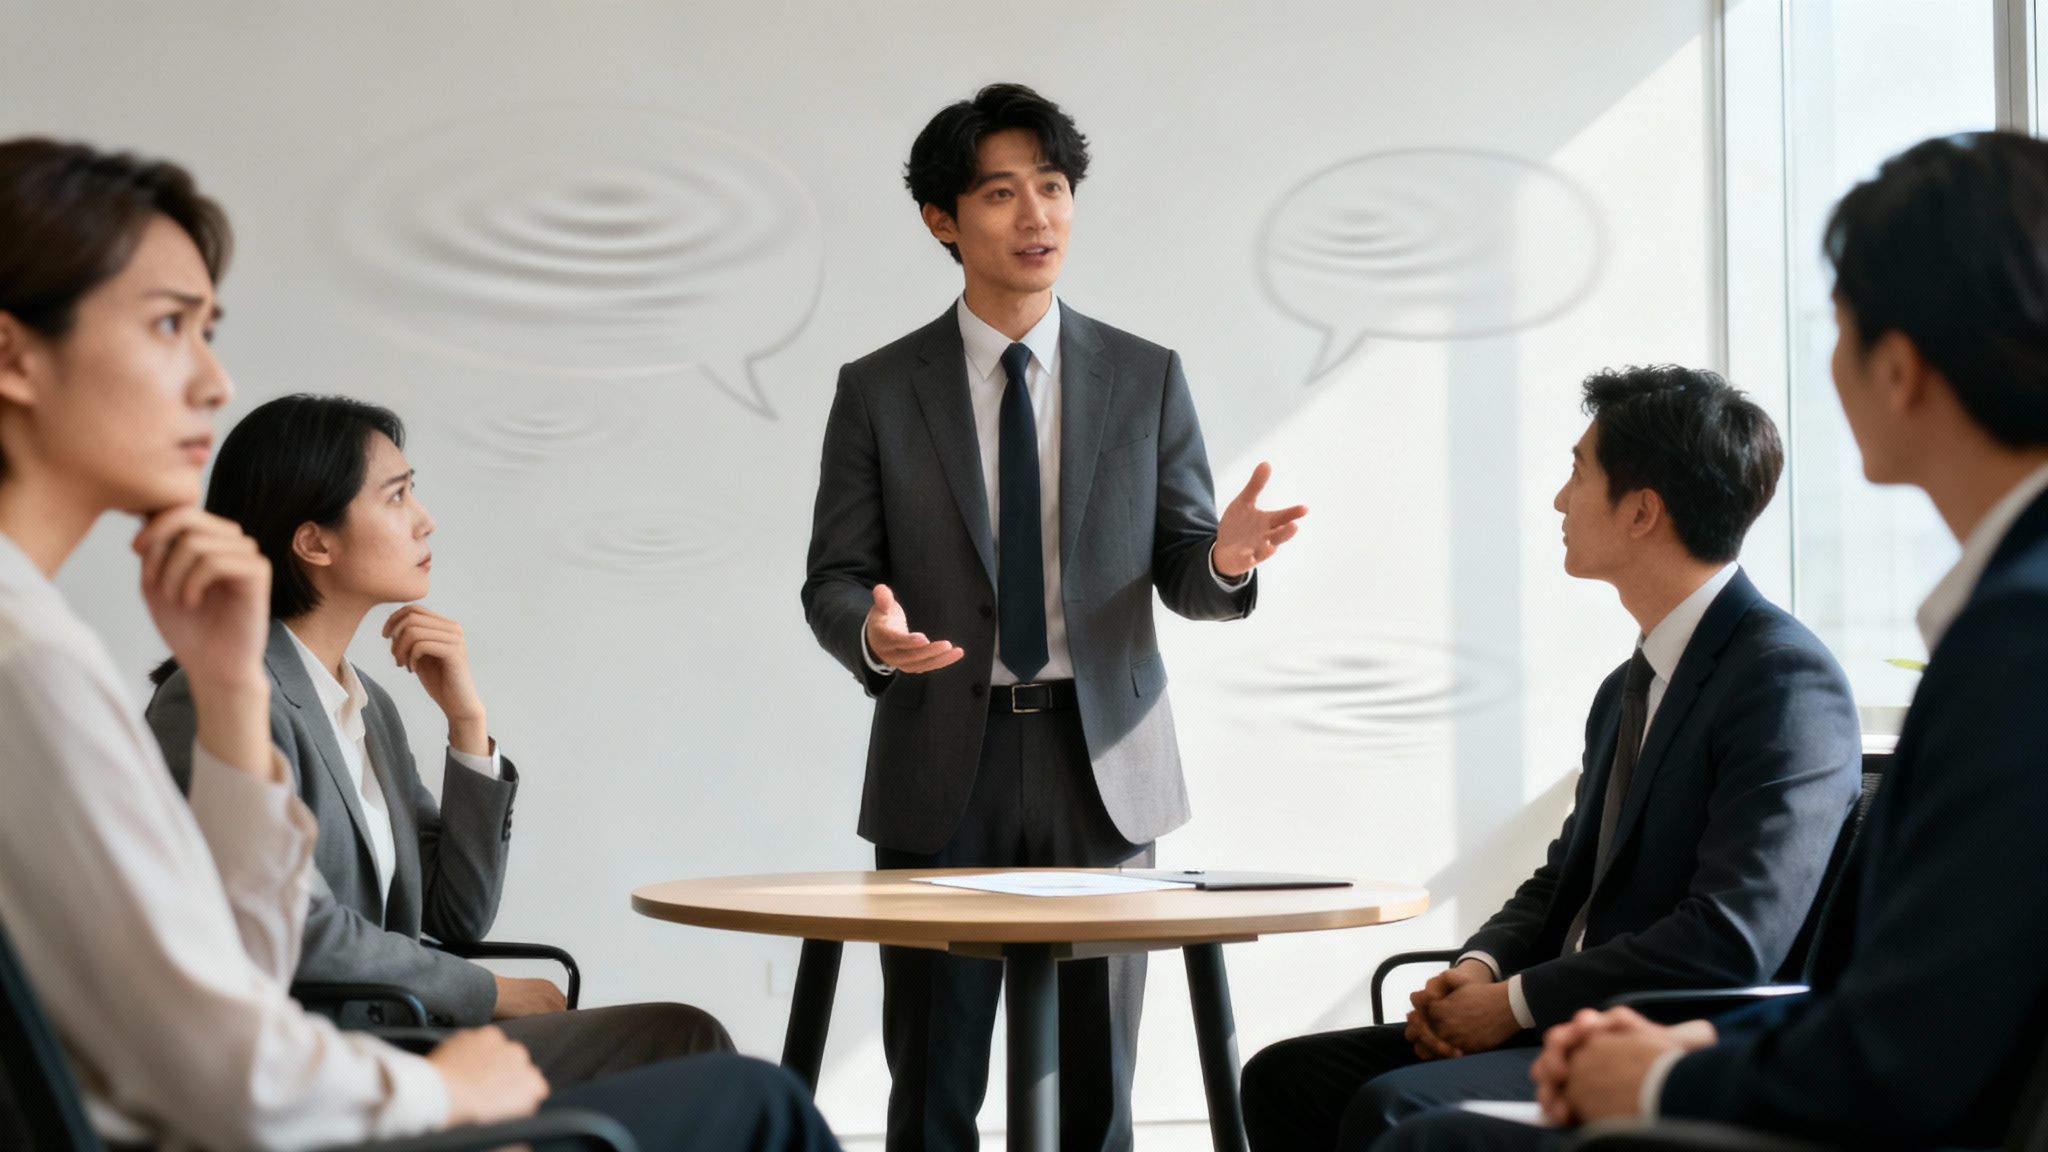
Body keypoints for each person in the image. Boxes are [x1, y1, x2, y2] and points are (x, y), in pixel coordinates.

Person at [0, 135, 838, 1152]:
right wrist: (451, 1084)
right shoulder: (34, 669)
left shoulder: (295, 691)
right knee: (760, 1102)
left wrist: (464, 725)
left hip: (312, 1071)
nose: (214, 382)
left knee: (701, 1058)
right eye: (171, 325)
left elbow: (280, 956)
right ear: (14, 356)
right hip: (318, 1077)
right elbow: (227, 1040)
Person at [1373, 131, 2048, 1152]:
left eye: (1836, 326)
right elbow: (1896, 1003)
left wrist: (1658, 1078)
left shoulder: (2008, 640)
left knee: (1420, 1134)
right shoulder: (2001, 620)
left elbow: (1893, 1035)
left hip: (1809, 1080)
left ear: (1899, 366)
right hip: (1761, 1050)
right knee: (1319, 1086)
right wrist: (1497, 978)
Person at [800, 82, 1306, 1152]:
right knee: (932, 1086)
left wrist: (1219, 556)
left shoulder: (1144, 377)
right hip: (943, 756)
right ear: (942, 221)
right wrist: (869, 637)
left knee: (1096, 1091)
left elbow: (1181, 568)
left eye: (1053, 187)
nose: (1035, 216)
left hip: (1103, 765)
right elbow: (834, 576)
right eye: (998, 193)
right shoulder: (879, 390)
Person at [1241, 366, 1862, 1152]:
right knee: (1284, 1080)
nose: (1560, 500)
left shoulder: (1781, 680)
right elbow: (1566, 879)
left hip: (1668, 1046)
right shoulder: (1629, 685)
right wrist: (1481, 966)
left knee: (1393, 1109)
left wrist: (1515, 1004)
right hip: (1566, 1020)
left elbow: (1731, 937)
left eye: (1578, 472)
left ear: (1642, 511)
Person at [145, 393, 732, 1086]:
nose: (425, 520)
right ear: (314, 541)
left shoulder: (367, 706)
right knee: (683, 1042)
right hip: (314, 1064)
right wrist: (488, 991)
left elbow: (458, 912)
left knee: (687, 1037)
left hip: (399, 1031)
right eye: (396, 498)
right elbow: (291, 927)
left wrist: (467, 726)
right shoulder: (222, 696)